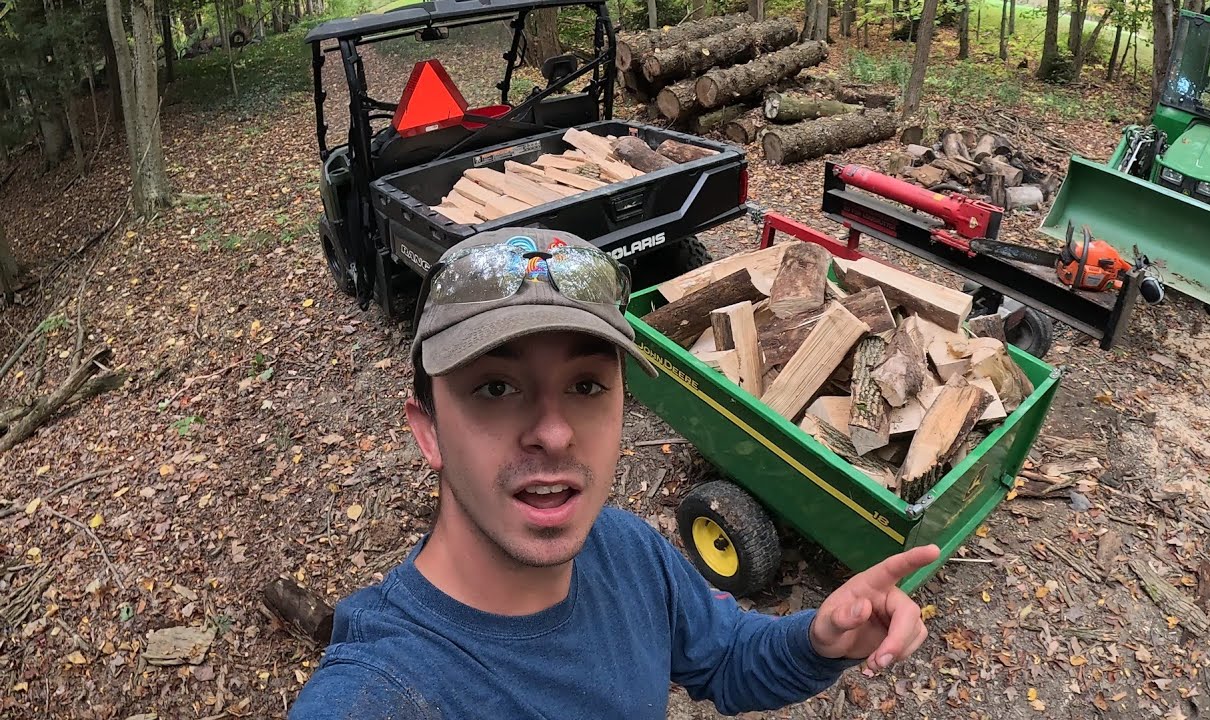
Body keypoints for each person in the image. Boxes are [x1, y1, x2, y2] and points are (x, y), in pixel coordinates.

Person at [289, 228, 939, 719]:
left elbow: (726, 655)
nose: (553, 431)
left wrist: (818, 641)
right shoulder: (384, 690)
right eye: (495, 388)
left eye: (585, 385)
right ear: (428, 430)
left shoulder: (627, 551)